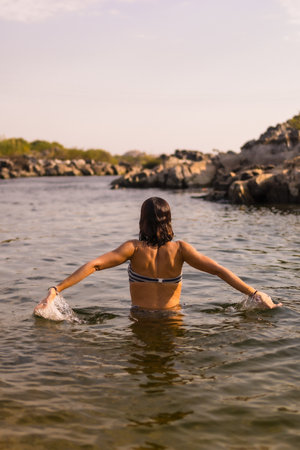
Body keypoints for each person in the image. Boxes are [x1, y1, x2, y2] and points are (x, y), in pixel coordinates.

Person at [34, 197, 281, 314]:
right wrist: (255, 294)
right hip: (173, 320)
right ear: (169, 220)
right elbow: (218, 270)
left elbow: (95, 265)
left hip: (140, 320)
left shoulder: (133, 249)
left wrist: (56, 290)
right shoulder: (181, 249)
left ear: (142, 220)